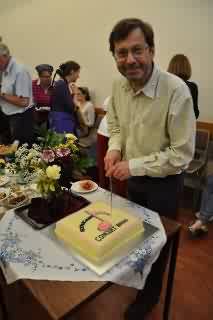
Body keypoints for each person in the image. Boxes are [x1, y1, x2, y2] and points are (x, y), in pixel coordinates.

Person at [104, 18, 196, 319]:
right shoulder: (118, 85)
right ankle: (136, 280)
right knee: (132, 235)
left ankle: (150, 296)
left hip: (164, 185)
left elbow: (181, 155)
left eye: (137, 50)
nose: (130, 59)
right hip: (132, 178)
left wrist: (134, 165)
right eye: (121, 52)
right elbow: (116, 125)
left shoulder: (176, 90)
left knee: (157, 246)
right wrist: (115, 147)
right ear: (114, 55)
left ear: (152, 50)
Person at [0, 43, 34, 145]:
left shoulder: (19, 71)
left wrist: (1, 94)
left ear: (5, 56)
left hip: (21, 118)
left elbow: (24, 101)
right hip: (7, 116)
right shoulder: (4, 70)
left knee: (18, 154)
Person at [49, 61, 80, 135]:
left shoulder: (61, 83)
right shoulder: (62, 85)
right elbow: (72, 107)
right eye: (78, 73)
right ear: (72, 72)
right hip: (62, 123)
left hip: (59, 120)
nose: (78, 76)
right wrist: (75, 93)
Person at [168, 54, 199, 119]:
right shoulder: (192, 87)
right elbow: (195, 113)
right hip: (185, 126)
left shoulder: (165, 84)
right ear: (187, 68)